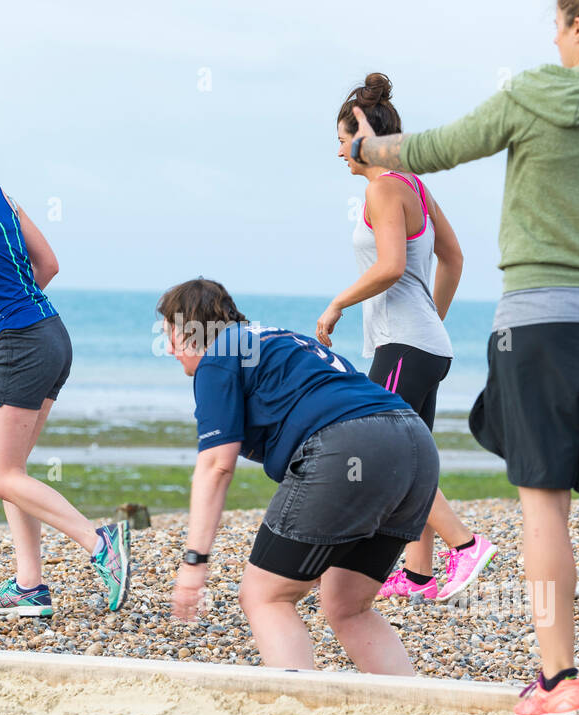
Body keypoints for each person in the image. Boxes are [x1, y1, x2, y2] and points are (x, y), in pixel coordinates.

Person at [346, 0, 579, 715]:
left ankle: (557, 679)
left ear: (576, 25)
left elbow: (434, 149)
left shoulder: (529, 96)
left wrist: (369, 153)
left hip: (535, 325)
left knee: (543, 504)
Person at [0, 110, 131, 617]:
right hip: (51, 335)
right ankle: (29, 587)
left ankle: (99, 542)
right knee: (13, 471)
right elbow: (47, 265)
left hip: (20, 345)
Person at [163, 278, 438, 675]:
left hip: (349, 444)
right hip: (415, 445)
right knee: (348, 606)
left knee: (265, 596)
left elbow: (217, 465)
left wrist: (194, 563)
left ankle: (297, 708)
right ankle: (415, 713)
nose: (170, 350)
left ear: (188, 329)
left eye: (170, 335)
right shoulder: (279, 339)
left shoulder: (218, 354)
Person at [321, 72, 497, 603]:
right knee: (413, 456)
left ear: (363, 135)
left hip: (404, 343)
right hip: (424, 344)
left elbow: (392, 266)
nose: (338, 154)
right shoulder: (416, 184)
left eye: (341, 140)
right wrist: (433, 322)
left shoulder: (381, 188)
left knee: (388, 455)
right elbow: (455, 257)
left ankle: (464, 545)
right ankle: (419, 574)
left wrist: (337, 304)